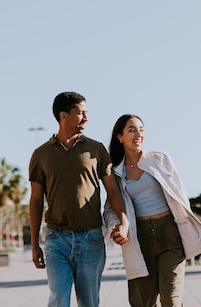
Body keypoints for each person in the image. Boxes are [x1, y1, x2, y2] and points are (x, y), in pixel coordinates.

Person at [104, 114, 201, 307]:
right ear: (119, 136)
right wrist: (116, 226)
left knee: (170, 300)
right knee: (143, 302)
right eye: (132, 130)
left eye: (141, 129)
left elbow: (180, 196)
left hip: (169, 235)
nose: (138, 134)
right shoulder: (115, 172)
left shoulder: (160, 159)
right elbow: (110, 208)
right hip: (140, 239)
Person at [29, 91, 129, 307]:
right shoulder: (41, 154)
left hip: (91, 239)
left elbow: (113, 191)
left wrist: (122, 221)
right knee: (58, 299)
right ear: (63, 116)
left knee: (89, 302)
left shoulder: (96, 150)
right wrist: (34, 243)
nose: (86, 118)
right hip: (56, 239)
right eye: (81, 113)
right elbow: (36, 201)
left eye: (87, 113)